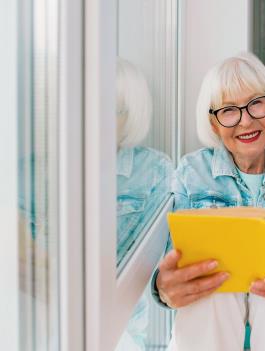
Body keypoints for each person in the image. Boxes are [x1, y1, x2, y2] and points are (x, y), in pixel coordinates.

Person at [151, 52, 265, 351]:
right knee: (212, 288)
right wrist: (164, 289)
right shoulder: (192, 173)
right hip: (209, 328)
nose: (246, 120)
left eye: (256, 103)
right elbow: (174, 269)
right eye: (229, 111)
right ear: (213, 123)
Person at [115, 57, 174, 351]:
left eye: (113, 110)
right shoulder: (37, 171)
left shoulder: (154, 169)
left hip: (124, 328)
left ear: (132, 115)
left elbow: (157, 270)